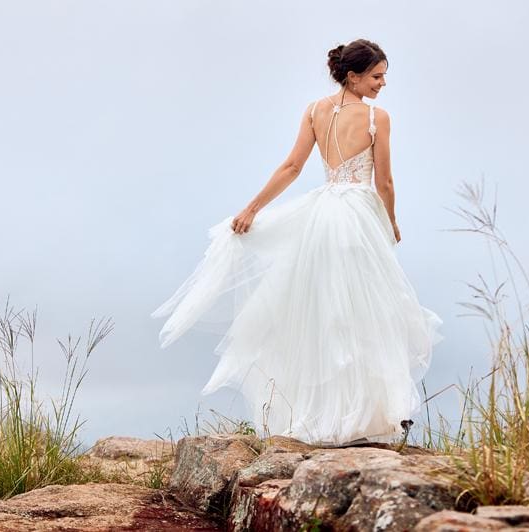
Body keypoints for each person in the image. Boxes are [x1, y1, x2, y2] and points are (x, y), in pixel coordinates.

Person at [151, 39, 443, 447]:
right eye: (377, 76)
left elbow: (291, 166)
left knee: (324, 313)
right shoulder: (378, 118)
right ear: (353, 76)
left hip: (322, 217)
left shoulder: (314, 111)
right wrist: (391, 221)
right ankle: (361, 418)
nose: (383, 83)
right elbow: (385, 182)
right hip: (357, 217)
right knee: (363, 312)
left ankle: (324, 413)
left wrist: (252, 208)